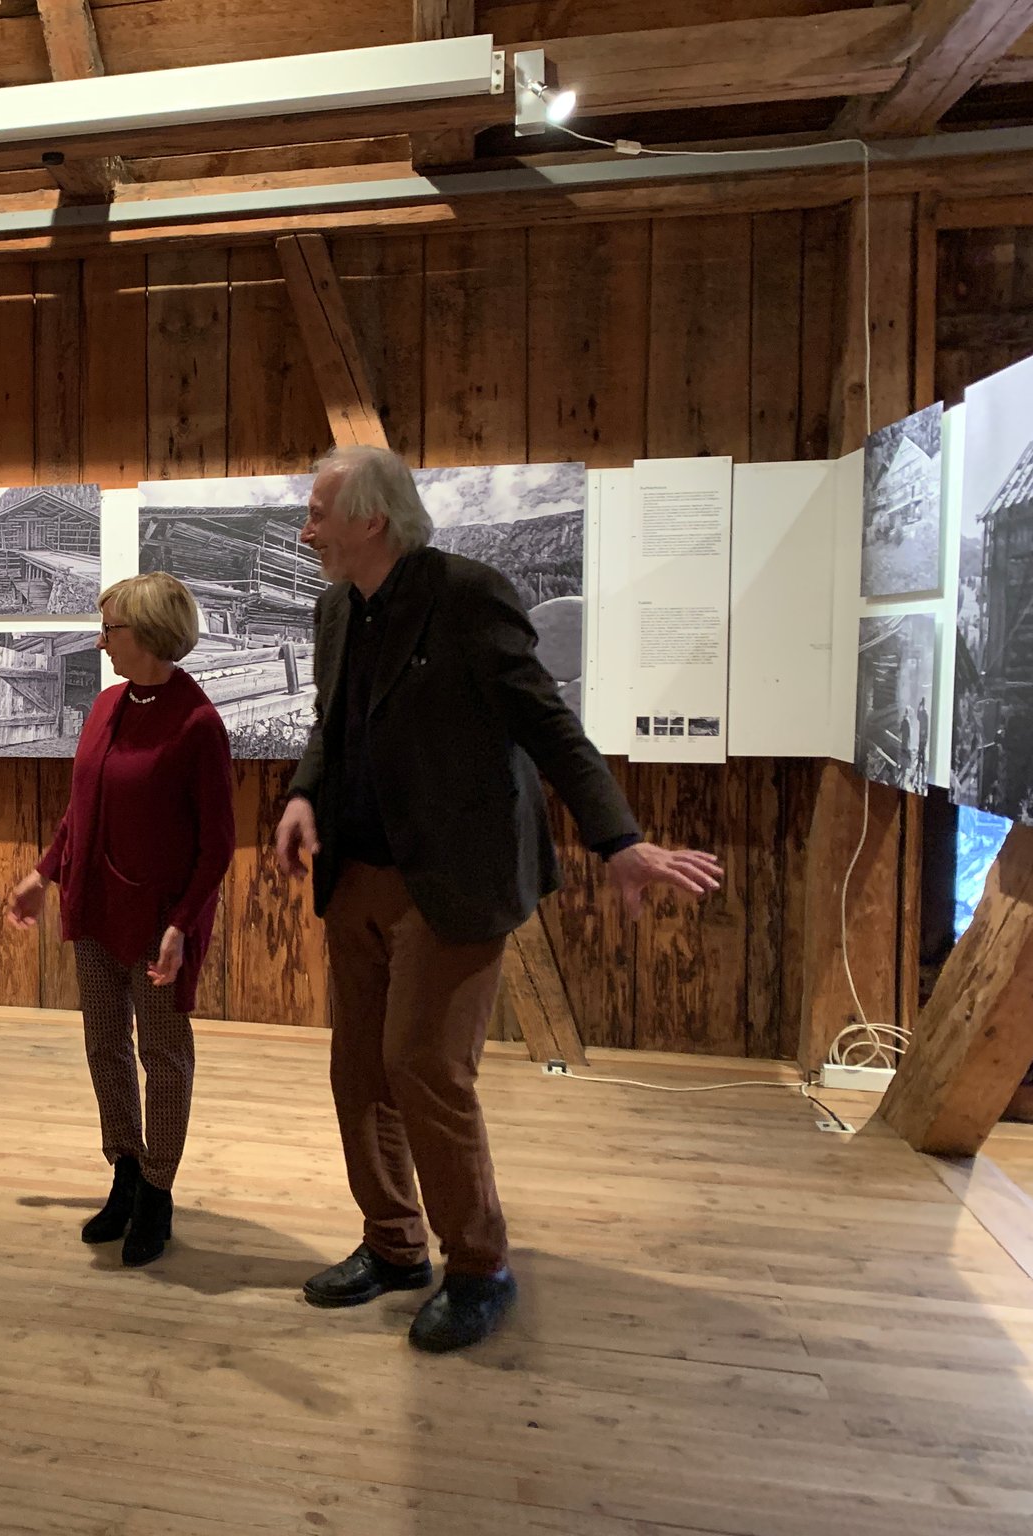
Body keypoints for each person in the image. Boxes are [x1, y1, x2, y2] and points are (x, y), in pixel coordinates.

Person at [274, 445, 723, 1351]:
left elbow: (548, 725)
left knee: (425, 1067)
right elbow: (333, 723)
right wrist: (302, 793)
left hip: (455, 876)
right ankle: (393, 1244)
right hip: (355, 875)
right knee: (359, 1072)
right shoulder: (336, 608)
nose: (306, 530)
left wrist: (620, 841)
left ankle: (479, 1266)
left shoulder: (468, 595)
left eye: (319, 513)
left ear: (370, 519)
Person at [9, 573, 234, 1267]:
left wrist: (183, 924)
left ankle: (158, 1190)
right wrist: (44, 874)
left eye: (111, 629)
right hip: (94, 907)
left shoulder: (196, 723)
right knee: (104, 1045)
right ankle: (125, 1172)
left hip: (157, 922)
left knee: (162, 1056)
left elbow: (217, 843)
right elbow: (81, 809)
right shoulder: (107, 704)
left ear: (151, 633)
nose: (101, 641)